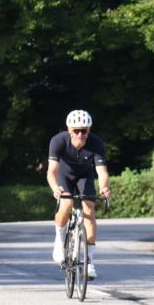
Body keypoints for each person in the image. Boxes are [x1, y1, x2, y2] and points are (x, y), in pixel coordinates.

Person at [47, 110, 112, 280]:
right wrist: (55, 188)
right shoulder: (58, 141)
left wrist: (104, 187)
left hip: (84, 175)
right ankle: (60, 241)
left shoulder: (96, 143)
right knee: (67, 203)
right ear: (69, 130)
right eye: (76, 130)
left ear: (89, 130)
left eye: (84, 130)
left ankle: (89, 261)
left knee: (89, 208)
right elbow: (51, 172)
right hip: (64, 175)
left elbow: (102, 172)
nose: (80, 135)